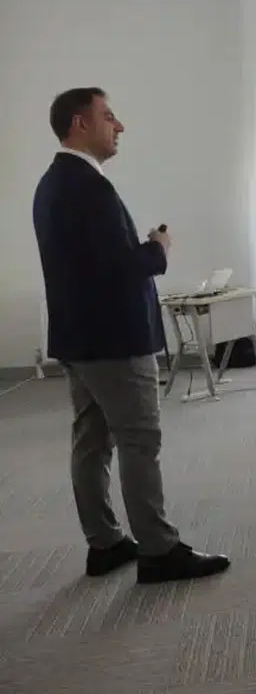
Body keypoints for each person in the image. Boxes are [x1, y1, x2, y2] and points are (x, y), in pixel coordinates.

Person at [32, 88, 231, 584]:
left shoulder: (53, 182)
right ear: (79, 123)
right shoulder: (89, 188)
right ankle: (159, 551)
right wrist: (157, 248)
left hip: (79, 337)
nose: (119, 126)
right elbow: (118, 267)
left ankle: (104, 543)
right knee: (139, 441)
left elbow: (90, 264)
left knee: (91, 441)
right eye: (109, 116)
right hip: (114, 341)